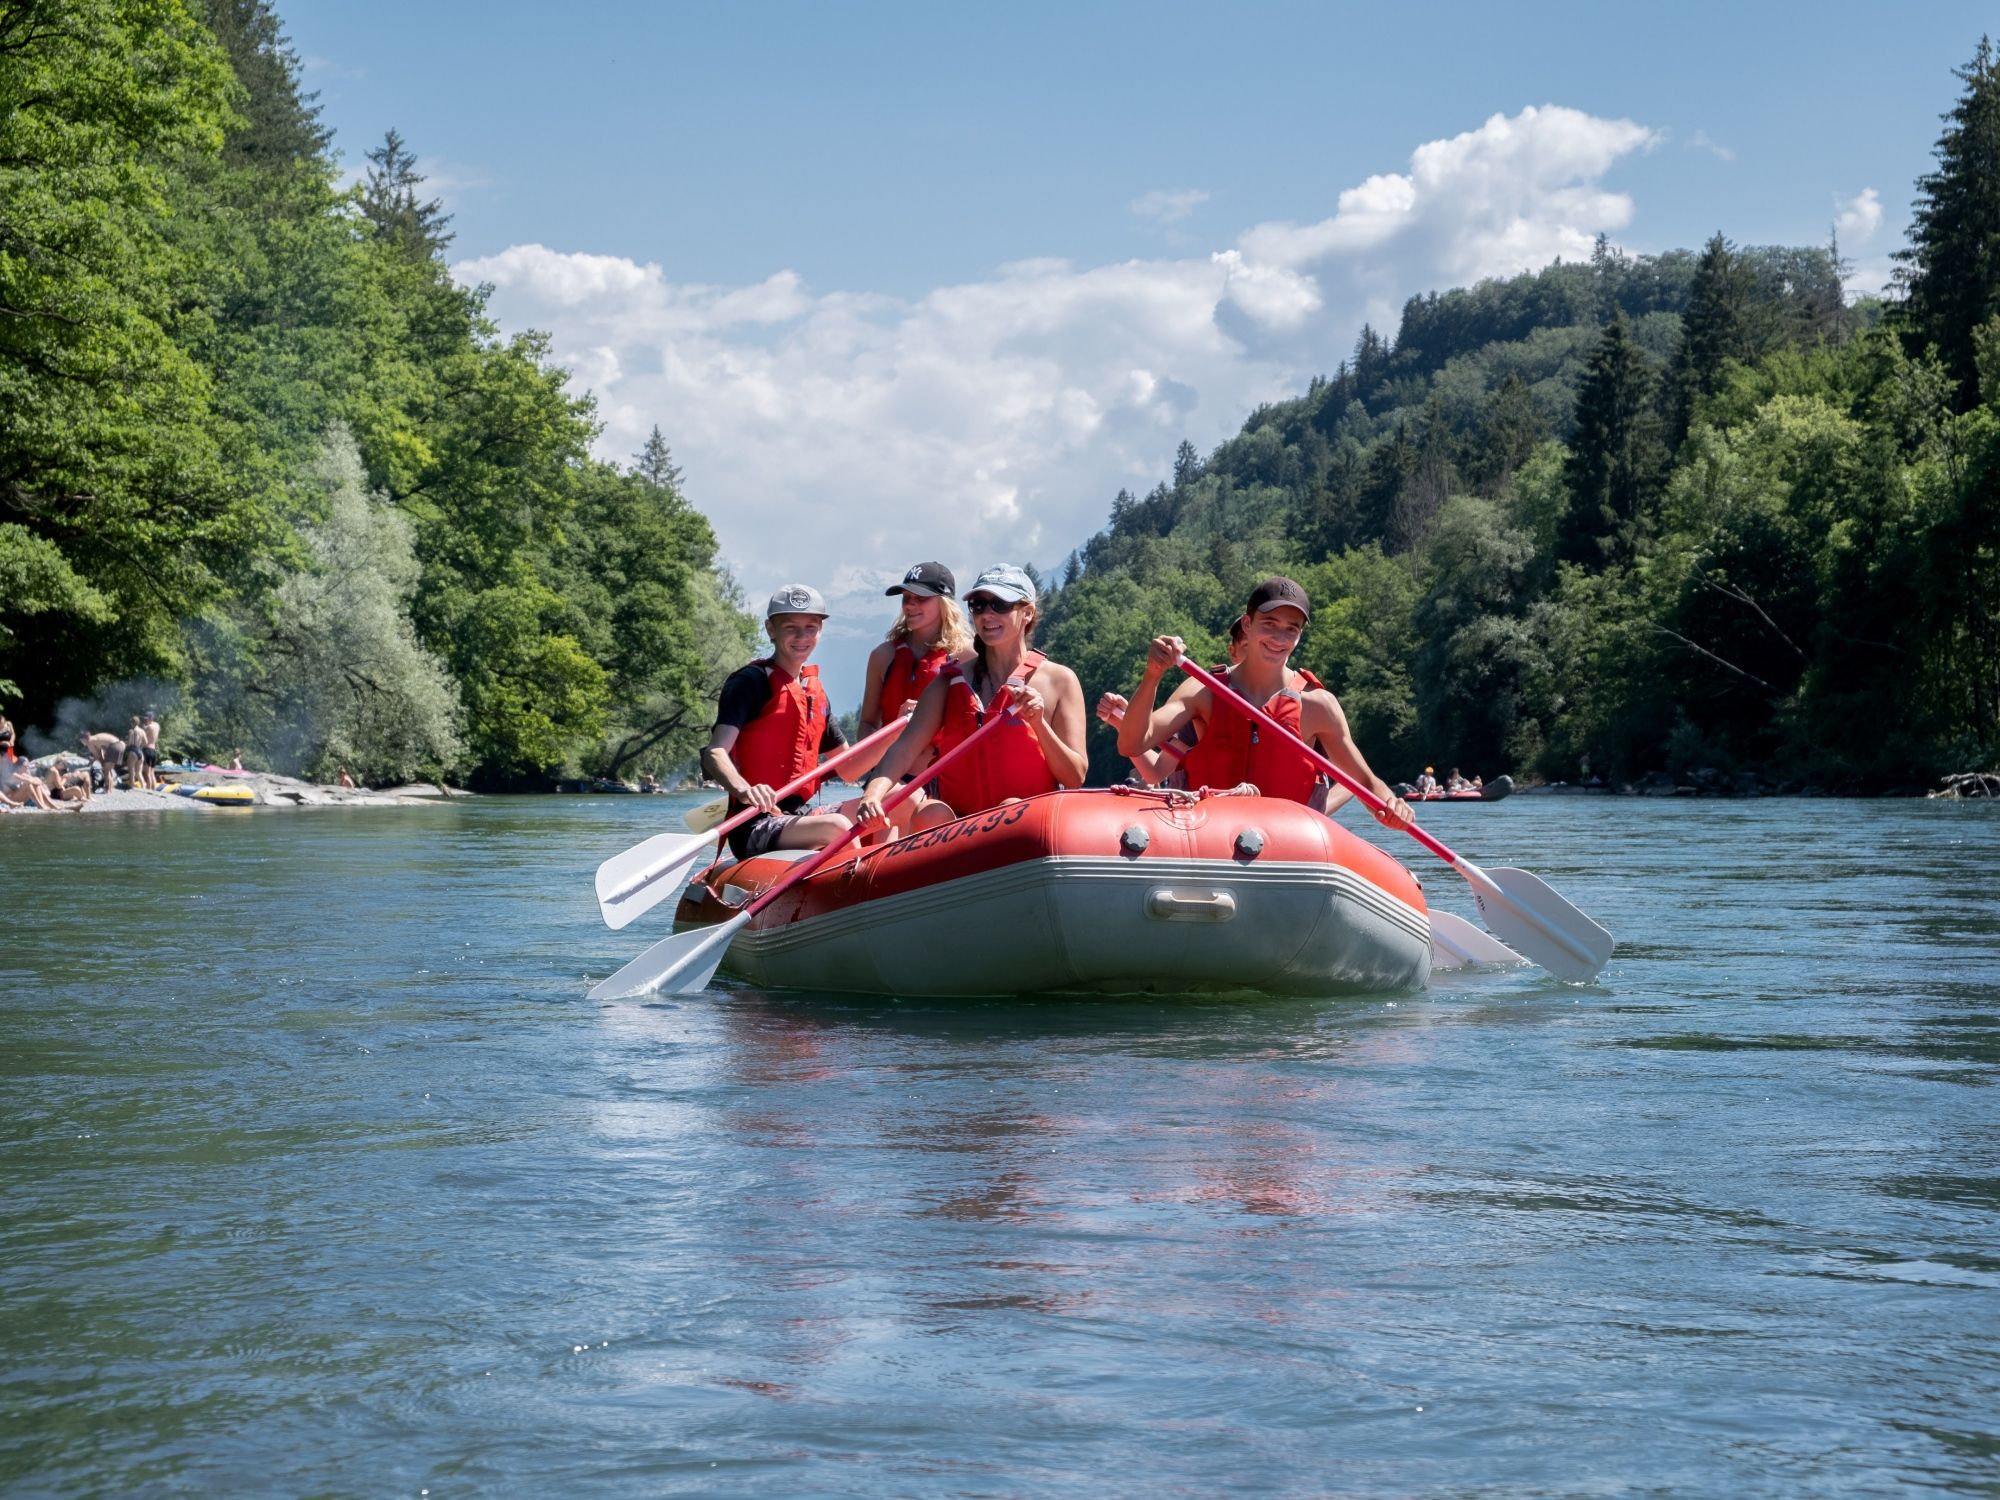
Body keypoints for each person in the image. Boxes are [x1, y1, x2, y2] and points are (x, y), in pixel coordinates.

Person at [1116, 576, 1409, 829]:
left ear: (1300, 635)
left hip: (1286, 848)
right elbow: (1132, 744)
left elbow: (1368, 783)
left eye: (1291, 629)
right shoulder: (1201, 691)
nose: (1279, 637)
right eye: (1269, 624)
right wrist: (1153, 674)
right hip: (1208, 837)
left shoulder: (1318, 705)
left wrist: (1392, 806)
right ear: (1248, 623)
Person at [858, 564, 1087, 833]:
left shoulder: (1060, 681)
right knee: (929, 813)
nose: (987, 614)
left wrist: (1039, 724)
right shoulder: (947, 682)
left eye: (999, 604)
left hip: (1027, 828)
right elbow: (905, 749)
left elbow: (1075, 776)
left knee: (1012, 807)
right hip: (960, 829)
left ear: (1027, 613)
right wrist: (872, 794)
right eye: (978, 605)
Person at [701, 584, 853, 859]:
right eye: (791, 627)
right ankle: (859, 890)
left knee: (900, 801)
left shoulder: (813, 693)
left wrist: (901, 727)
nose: (802, 636)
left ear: (820, 630)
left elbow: (850, 768)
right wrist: (744, 789)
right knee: (838, 825)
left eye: (811, 627)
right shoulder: (750, 682)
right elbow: (715, 752)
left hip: (802, 815)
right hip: (754, 823)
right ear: (771, 629)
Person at [853, 562, 974, 772]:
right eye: (906, 598)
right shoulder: (882, 656)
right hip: (890, 779)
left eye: (921, 598)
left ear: (944, 602)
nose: (910, 605)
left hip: (945, 779)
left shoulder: (967, 655)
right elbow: (867, 723)